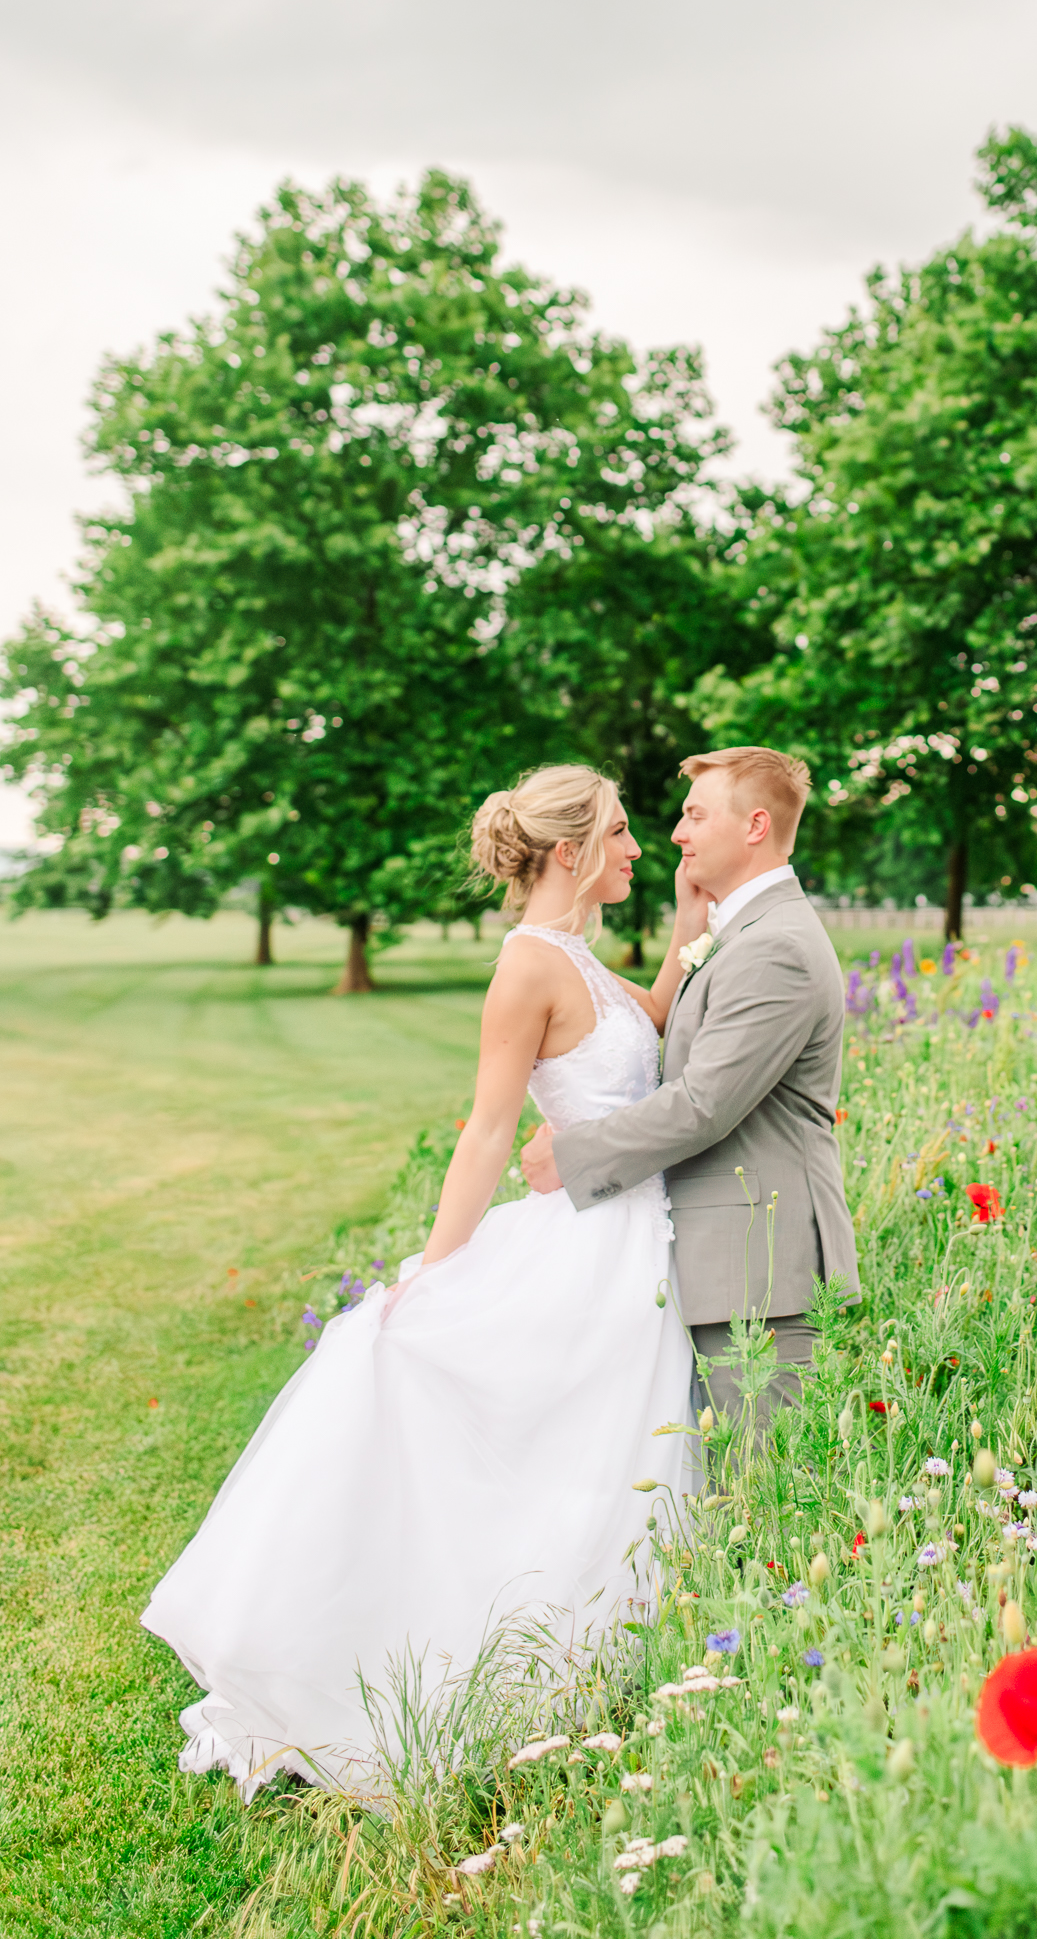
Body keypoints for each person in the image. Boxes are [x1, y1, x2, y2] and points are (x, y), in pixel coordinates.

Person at [141, 764, 710, 1799]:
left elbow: (658, 1017)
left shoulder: (578, 956)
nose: (639, 848)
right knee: (558, 1448)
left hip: (627, 1233)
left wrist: (683, 920)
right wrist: (435, 1276)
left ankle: (597, 1665)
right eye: (623, 834)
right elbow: (489, 1129)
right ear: (570, 851)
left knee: (608, 1448)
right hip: (585, 1238)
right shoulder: (527, 968)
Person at [520, 744, 859, 1419]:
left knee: (761, 1496)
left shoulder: (775, 947)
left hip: (761, 1275)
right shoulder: (745, 932)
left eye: (695, 816)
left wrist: (569, 1154)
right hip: (730, 1267)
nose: (675, 835)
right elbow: (670, 1035)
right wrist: (688, 924)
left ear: (754, 827)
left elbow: (704, 1103)